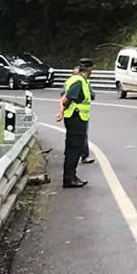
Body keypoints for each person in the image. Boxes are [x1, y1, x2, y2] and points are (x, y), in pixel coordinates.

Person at [56, 59, 94, 188]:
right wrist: (62, 109)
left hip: (74, 117)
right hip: (76, 117)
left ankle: (71, 176)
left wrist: (61, 110)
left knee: (72, 148)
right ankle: (69, 179)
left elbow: (63, 97)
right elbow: (67, 99)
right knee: (74, 149)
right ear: (89, 69)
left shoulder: (74, 79)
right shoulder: (78, 82)